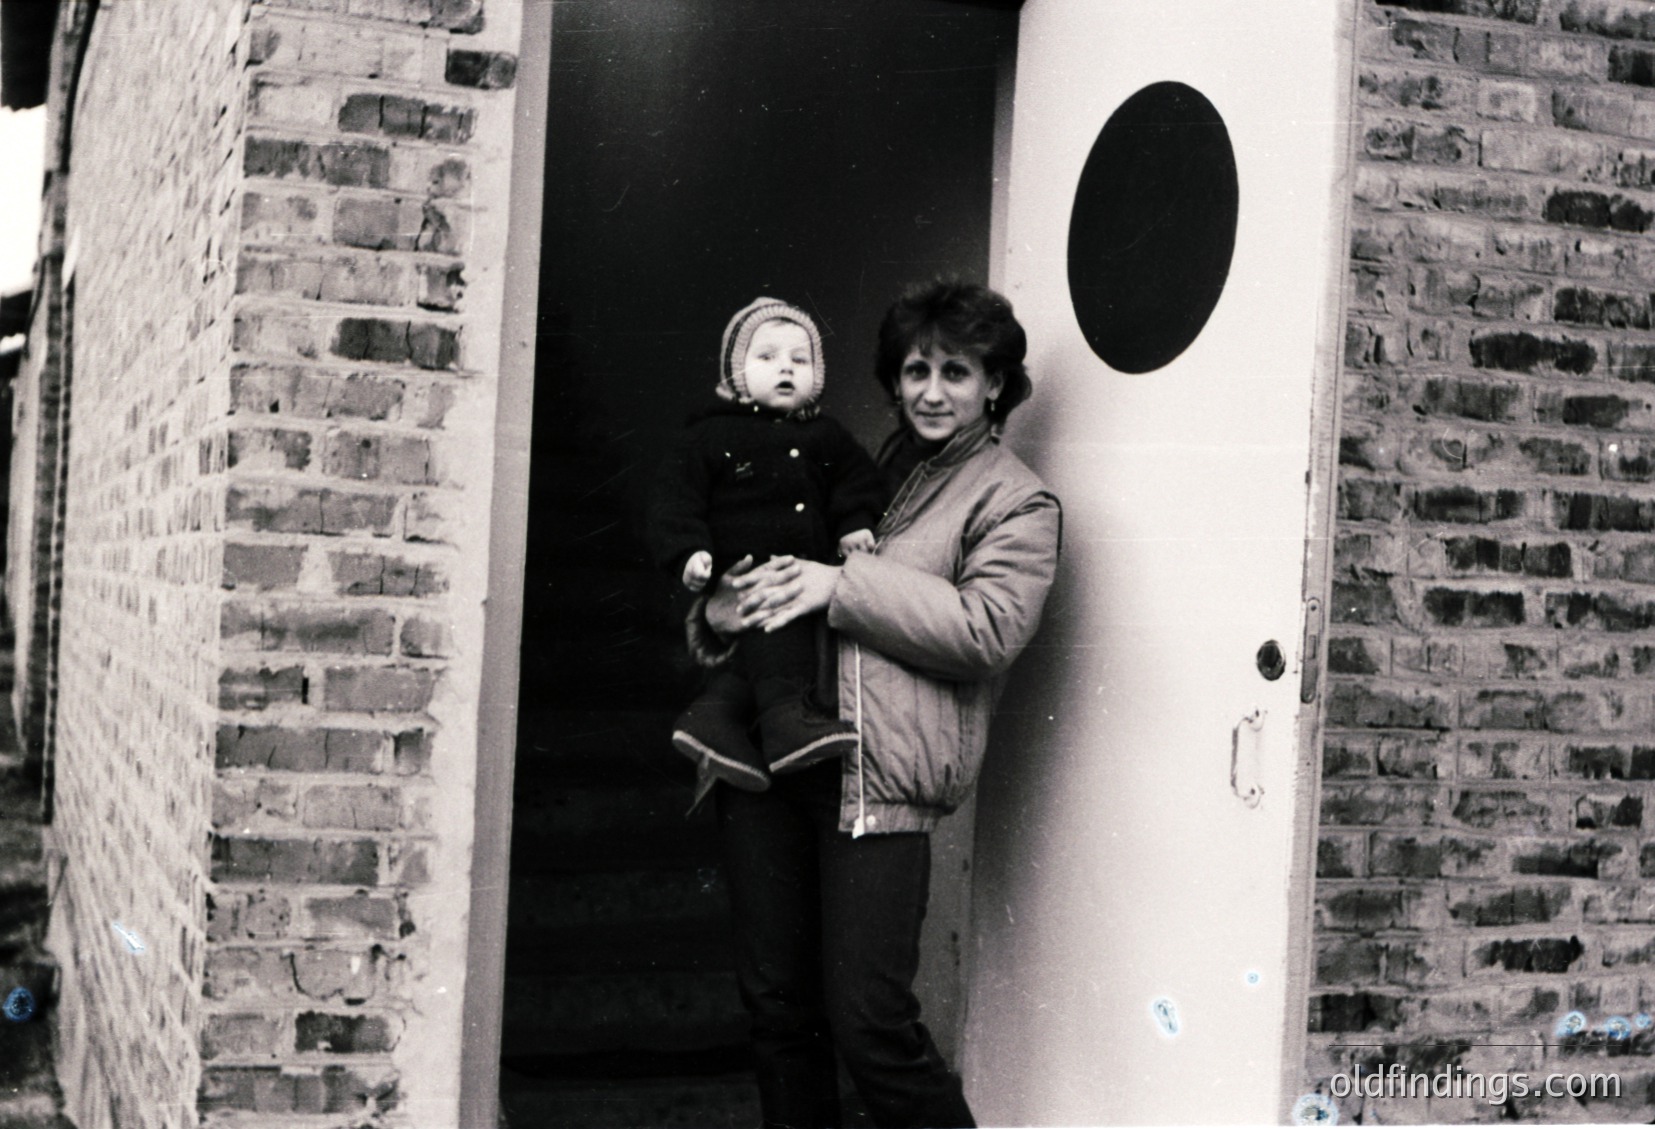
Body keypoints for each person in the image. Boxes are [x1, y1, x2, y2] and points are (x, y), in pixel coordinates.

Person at [690, 280, 1061, 1128]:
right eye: (915, 370)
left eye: (956, 372)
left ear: (994, 384)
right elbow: (763, 573)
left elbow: (987, 628)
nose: (931, 391)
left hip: (876, 783)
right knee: (778, 1012)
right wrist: (717, 611)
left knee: (870, 1024)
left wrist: (840, 581)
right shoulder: (853, 465)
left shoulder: (1015, 499)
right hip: (772, 760)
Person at [650, 297, 887, 791]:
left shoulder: (827, 435)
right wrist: (689, 554)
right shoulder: (710, 435)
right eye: (767, 357)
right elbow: (677, 500)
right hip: (743, 571)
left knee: (769, 649)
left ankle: (712, 717)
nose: (785, 368)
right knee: (782, 642)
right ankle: (786, 724)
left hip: (802, 572)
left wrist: (854, 523)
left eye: (800, 360)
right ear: (736, 372)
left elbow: (855, 481)